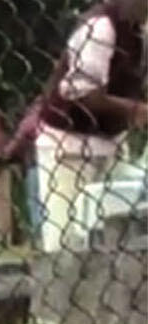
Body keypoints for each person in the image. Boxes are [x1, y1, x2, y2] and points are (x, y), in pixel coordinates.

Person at [29, 0, 147, 252]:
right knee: (65, 240)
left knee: (119, 227)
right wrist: (136, 110)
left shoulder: (138, 29)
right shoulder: (101, 26)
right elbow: (84, 94)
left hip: (111, 143)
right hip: (68, 143)